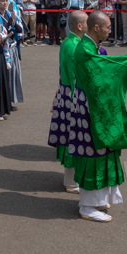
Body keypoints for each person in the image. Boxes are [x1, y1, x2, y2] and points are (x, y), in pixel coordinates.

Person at [72, 10, 127, 222]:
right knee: (93, 154)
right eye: (108, 27)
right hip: (89, 109)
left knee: (102, 151)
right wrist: (124, 63)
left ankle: (96, 199)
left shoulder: (91, 46)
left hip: (93, 107)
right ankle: (87, 206)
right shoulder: (85, 50)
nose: (110, 30)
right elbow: (101, 75)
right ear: (96, 27)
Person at [49, 10, 88, 194]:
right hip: (72, 97)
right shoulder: (74, 46)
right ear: (80, 26)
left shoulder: (67, 42)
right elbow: (75, 78)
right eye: (87, 23)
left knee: (68, 137)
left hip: (64, 94)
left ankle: (70, 179)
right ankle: (71, 182)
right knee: (74, 137)